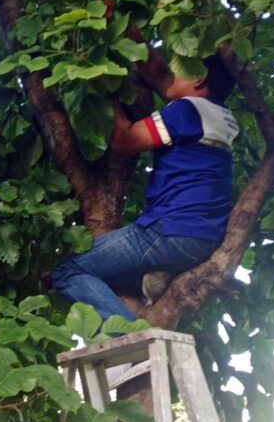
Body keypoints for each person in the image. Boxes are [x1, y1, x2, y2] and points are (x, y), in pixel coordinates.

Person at [52, 55, 238, 323]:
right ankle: (151, 277)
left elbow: (125, 140)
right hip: (202, 238)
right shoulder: (221, 116)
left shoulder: (188, 109)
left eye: (179, 71)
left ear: (198, 79)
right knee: (110, 269)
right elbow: (161, 79)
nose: (171, 76)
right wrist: (130, 38)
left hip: (168, 231)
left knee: (68, 270)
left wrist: (106, 88)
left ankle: (131, 336)